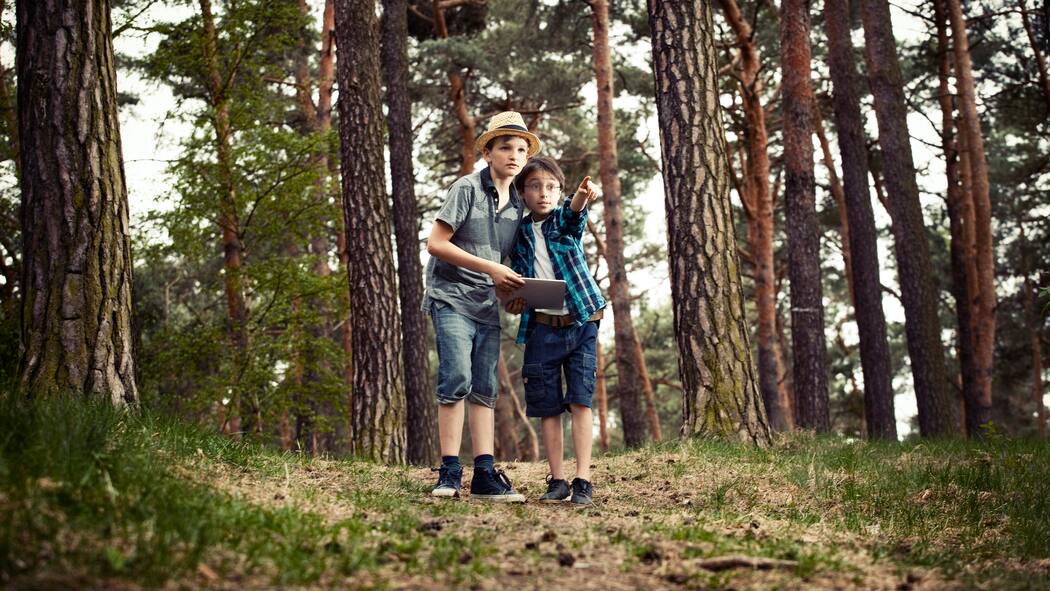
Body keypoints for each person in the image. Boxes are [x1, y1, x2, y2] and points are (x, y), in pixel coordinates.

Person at [423, 111, 540, 502]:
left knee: (486, 388)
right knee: (456, 377)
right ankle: (449, 472)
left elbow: (508, 267)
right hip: (450, 296)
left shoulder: (520, 206)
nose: (514, 155)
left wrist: (516, 295)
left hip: (486, 304)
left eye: (521, 149)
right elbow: (436, 244)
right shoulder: (467, 188)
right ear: (487, 152)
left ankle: (485, 475)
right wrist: (492, 268)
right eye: (505, 147)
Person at [504, 156, 605, 506]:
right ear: (522, 192)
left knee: (580, 399)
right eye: (534, 186)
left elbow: (575, 213)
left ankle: (583, 480)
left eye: (551, 187)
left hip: (581, 322)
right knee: (546, 405)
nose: (543, 193)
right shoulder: (518, 234)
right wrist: (514, 301)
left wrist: (581, 196)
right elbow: (516, 281)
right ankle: (558, 480)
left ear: (559, 191)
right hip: (542, 328)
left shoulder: (563, 221)